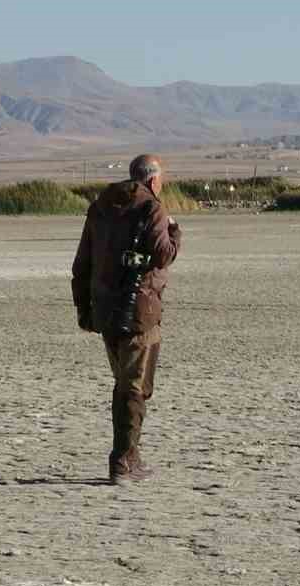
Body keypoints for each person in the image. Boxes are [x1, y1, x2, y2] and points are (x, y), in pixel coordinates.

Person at [72, 154, 182, 483]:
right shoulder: (153, 208)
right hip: (139, 312)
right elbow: (164, 254)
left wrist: (85, 309)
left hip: (105, 309)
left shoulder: (100, 207)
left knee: (125, 382)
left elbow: (81, 264)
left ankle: (128, 456)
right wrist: (175, 232)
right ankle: (123, 460)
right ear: (153, 180)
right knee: (134, 386)